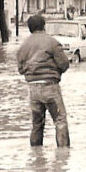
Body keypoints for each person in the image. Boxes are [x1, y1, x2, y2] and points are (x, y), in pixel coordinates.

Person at [17, 14, 71, 147]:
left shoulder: (23, 46)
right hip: (50, 86)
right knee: (60, 120)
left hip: (33, 89)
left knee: (36, 124)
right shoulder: (52, 42)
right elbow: (64, 64)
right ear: (44, 26)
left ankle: (36, 155)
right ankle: (63, 155)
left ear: (29, 28)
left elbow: (21, 69)